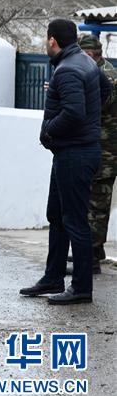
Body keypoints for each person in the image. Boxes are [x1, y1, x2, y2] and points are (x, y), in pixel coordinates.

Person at [21, 20, 109, 304]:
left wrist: (48, 131)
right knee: (57, 215)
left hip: (75, 153)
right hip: (71, 152)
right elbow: (105, 91)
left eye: (45, 39)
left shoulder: (69, 69)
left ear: (52, 40)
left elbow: (73, 112)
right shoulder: (85, 61)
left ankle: (81, 288)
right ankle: (53, 277)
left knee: (74, 220)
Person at [78, 34, 116, 274]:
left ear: (90, 54)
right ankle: (95, 249)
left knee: (96, 204)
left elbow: (94, 107)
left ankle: (90, 257)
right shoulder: (101, 71)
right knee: (95, 202)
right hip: (102, 149)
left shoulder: (106, 76)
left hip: (107, 152)